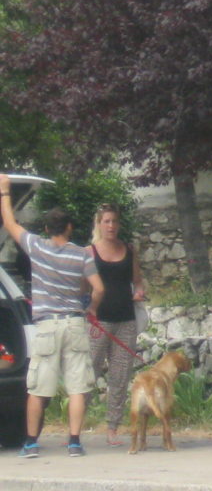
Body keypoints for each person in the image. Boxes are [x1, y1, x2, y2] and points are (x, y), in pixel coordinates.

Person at [0, 174, 105, 458]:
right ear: (69, 228)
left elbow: (9, 223)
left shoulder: (37, 246)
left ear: (47, 229)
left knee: (38, 388)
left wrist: (5, 191)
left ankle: (31, 443)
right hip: (74, 324)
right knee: (77, 387)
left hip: (47, 326)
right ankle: (74, 443)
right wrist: (91, 308)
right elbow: (98, 288)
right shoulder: (82, 255)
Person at [87, 204, 146, 447]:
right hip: (98, 321)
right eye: (106, 221)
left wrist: (139, 292)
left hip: (125, 319)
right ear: (99, 224)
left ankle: (113, 428)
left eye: (114, 221)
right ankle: (75, 426)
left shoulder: (129, 250)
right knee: (89, 372)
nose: (111, 226)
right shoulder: (90, 252)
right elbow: (82, 285)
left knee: (120, 376)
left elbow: (138, 280)